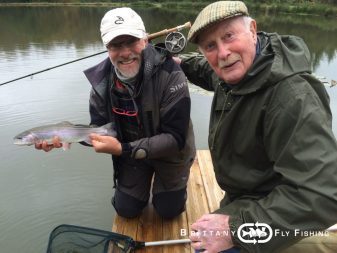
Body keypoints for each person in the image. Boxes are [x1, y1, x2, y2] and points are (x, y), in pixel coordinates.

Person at [175, 1, 337, 253]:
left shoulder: (293, 97)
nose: (223, 53)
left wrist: (236, 229)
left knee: (208, 248)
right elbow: (206, 69)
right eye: (210, 46)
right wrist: (177, 62)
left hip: (277, 205)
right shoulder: (237, 68)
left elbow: (322, 197)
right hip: (247, 196)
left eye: (229, 36)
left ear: (252, 29)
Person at [36, 7, 196, 219]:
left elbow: (175, 138)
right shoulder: (101, 84)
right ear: (107, 48)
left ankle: (174, 186)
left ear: (145, 40)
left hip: (171, 155)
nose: (125, 52)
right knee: (126, 209)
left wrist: (123, 148)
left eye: (131, 41)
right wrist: (67, 136)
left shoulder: (170, 74)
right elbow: (100, 130)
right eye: (116, 45)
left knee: (168, 211)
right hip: (132, 157)